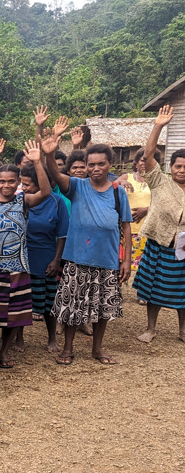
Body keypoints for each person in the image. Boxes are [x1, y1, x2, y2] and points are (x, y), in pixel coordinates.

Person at [44, 131, 131, 365]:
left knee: (103, 308)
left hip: (108, 259)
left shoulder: (117, 191)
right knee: (73, 307)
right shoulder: (77, 186)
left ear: (109, 165)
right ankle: (68, 349)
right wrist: (49, 155)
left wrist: (126, 260)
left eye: (100, 164)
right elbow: (56, 175)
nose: (95, 168)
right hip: (77, 258)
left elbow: (126, 226)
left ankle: (97, 349)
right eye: (91, 164)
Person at [0, 140, 51, 369]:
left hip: (18, 267)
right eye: (2, 181)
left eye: (11, 181)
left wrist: (38, 162)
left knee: (14, 316)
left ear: (18, 182)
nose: (6, 185)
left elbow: (46, 191)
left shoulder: (23, 200)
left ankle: (4, 352)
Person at [132, 106, 185, 344]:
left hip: (182, 249)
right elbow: (148, 155)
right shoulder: (159, 182)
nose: (182, 170)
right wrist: (158, 126)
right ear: (171, 167)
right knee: (153, 289)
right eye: (178, 166)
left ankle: (183, 331)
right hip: (158, 243)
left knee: (183, 292)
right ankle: (150, 328)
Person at [17, 162, 69, 353]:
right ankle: (19, 338)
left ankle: (51, 338)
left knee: (49, 302)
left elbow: (62, 234)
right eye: (22, 184)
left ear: (40, 184)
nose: (24, 188)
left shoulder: (57, 202)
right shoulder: (21, 201)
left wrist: (56, 260)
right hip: (23, 257)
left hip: (46, 257)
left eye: (28, 184)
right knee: (21, 301)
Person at [116, 149, 155, 274]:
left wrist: (147, 209)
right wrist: (121, 182)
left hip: (149, 231)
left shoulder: (157, 181)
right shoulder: (127, 177)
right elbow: (109, 187)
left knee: (145, 269)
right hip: (127, 230)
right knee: (124, 266)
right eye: (142, 160)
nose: (144, 163)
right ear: (136, 162)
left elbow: (164, 202)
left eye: (149, 160)